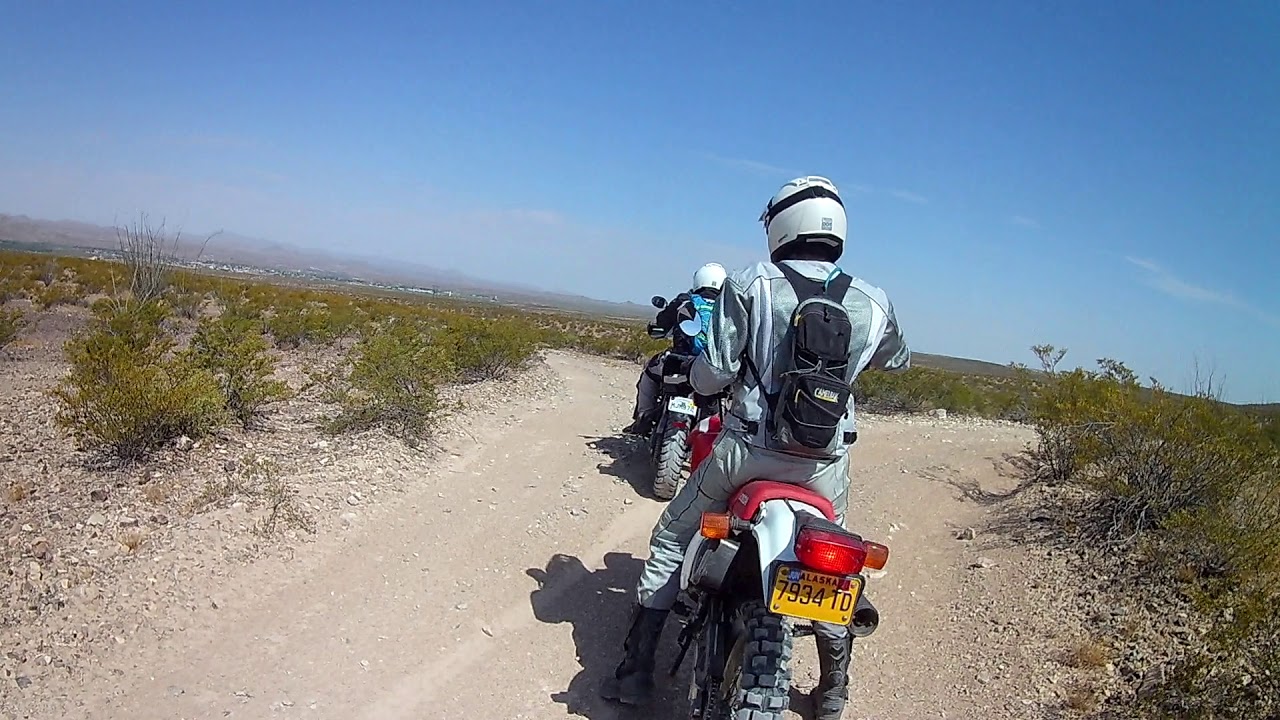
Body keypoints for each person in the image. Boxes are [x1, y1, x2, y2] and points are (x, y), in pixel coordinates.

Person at [600, 176, 911, 720]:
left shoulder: (752, 284)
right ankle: (834, 689)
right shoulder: (872, 299)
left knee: (673, 534)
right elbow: (897, 359)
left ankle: (636, 673)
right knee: (831, 560)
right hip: (826, 466)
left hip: (748, 454)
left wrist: (706, 378)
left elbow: (712, 373)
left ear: (782, 224)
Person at [621, 262, 727, 437]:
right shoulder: (728, 307)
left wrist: (656, 329)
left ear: (698, 280)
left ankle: (643, 418)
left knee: (649, 373)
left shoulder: (683, 301)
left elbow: (660, 326)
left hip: (680, 362)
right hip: (714, 367)